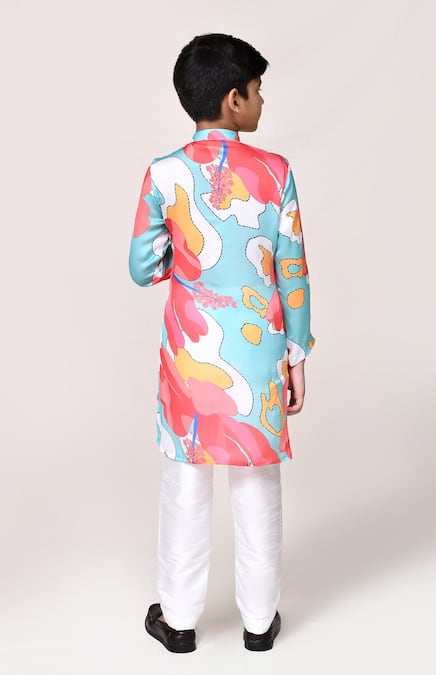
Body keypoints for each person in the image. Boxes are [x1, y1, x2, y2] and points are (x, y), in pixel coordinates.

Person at [128, 33, 316, 653]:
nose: (262, 100)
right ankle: (259, 625)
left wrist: (183, 266)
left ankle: (179, 621)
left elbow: (142, 267)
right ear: (234, 99)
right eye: (257, 90)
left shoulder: (163, 173)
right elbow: (293, 271)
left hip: (191, 352)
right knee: (257, 482)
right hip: (259, 352)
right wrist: (296, 355)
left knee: (185, 480)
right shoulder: (276, 173)